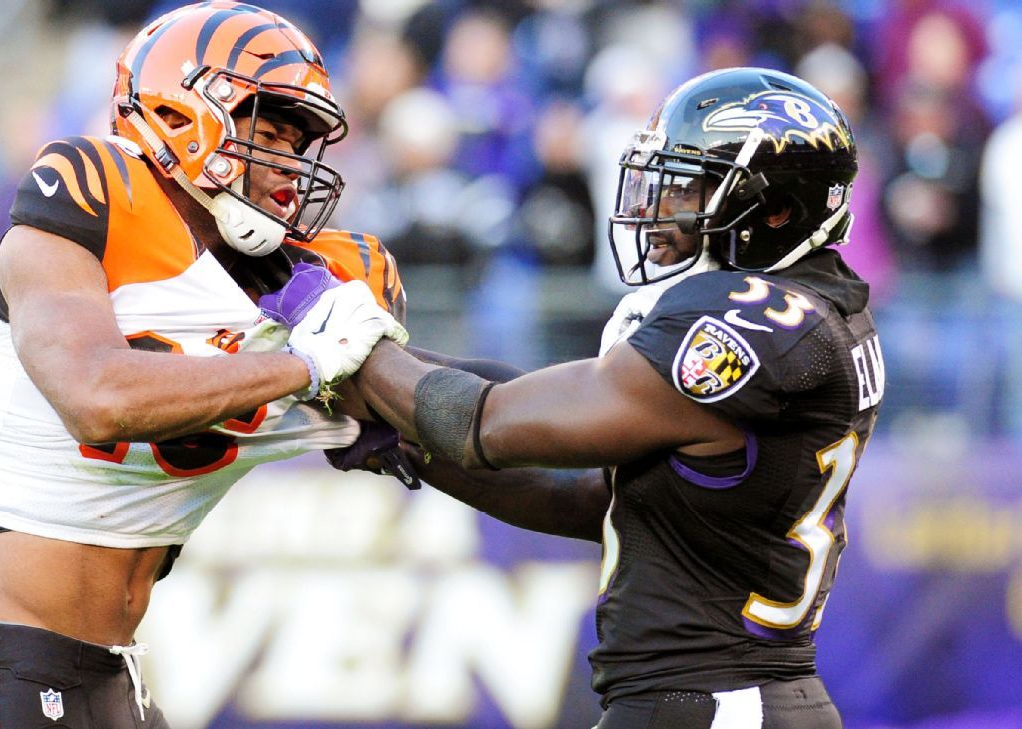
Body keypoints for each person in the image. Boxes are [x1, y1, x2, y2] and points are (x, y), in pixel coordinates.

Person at [0, 4, 408, 728]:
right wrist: (304, 366)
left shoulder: (298, 290)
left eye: (299, 144)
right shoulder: (93, 192)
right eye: (268, 133)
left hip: (114, 677)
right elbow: (96, 395)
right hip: (0, 666)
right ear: (179, 110)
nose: (289, 167)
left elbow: (465, 410)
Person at [349, 67, 885, 728]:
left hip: (716, 702)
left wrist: (343, 351)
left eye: (689, 189)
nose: (661, 209)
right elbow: (589, 494)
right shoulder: (813, 311)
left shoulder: (751, 323)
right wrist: (399, 425)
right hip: (727, 699)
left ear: (774, 211)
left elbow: (490, 422)